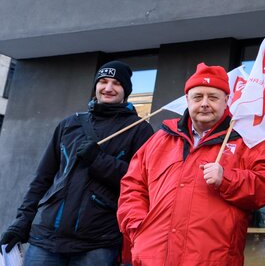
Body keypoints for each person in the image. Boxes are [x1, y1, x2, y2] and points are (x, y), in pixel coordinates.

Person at [118, 63, 265, 266]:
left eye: (213, 97)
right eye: (198, 97)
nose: (205, 103)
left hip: (214, 258)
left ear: (226, 100)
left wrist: (227, 178)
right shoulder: (160, 139)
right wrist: (137, 227)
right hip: (153, 257)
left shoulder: (246, 140)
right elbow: (132, 187)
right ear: (187, 100)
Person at [0, 61, 154, 265]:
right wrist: (21, 221)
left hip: (98, 242)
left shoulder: (139, 130)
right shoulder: (69, 124)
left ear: (126, 90)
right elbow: (42, 179)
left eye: (116, 83)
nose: (108, 88)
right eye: (103, 81)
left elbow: (142, 183)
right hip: (46, 238)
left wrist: (99, 160)